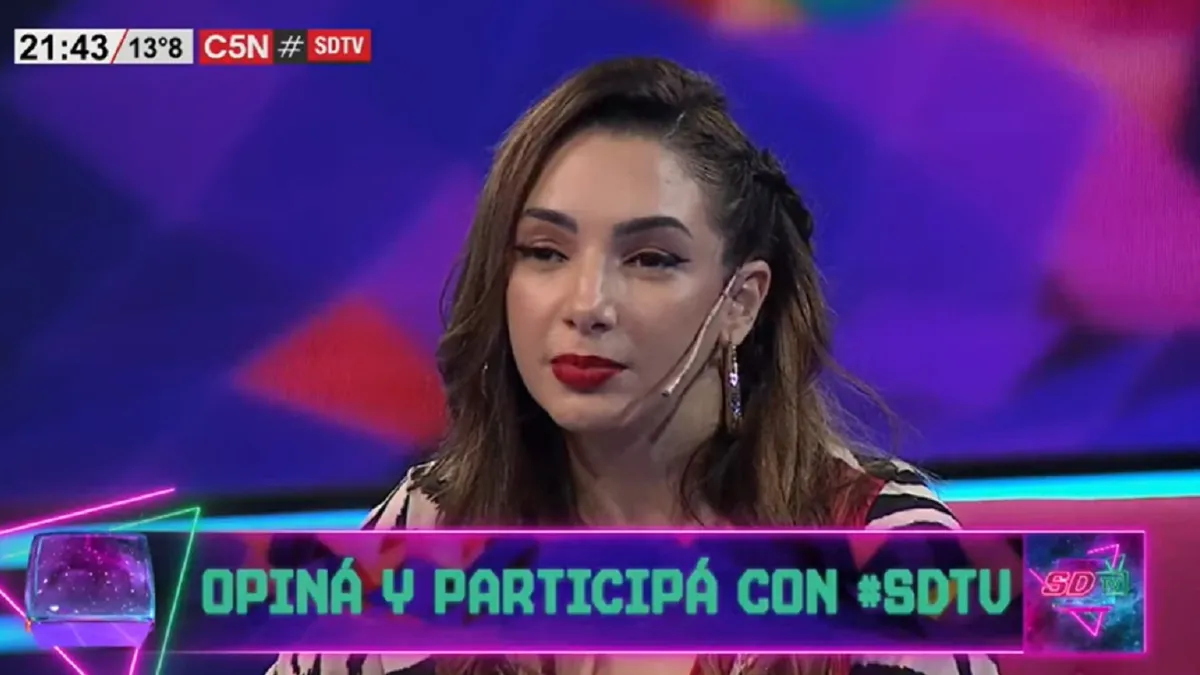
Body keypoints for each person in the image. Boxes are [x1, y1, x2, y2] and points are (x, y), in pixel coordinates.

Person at [269, 57, 999, 675]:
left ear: (741, 301)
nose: (587, 304)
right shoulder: (428, 524)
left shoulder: (884, 546)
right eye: (545, 252)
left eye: (650, 259)